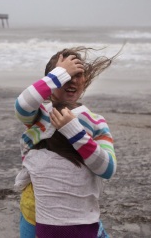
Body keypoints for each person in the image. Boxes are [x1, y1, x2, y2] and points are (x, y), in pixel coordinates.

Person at [14, 47, 117, 238]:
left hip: (79, 214)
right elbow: (22, 104)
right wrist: (59, 74)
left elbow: (107, 168)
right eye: (65, 75)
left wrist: (74, 131)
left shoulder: (96, 121)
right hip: (34, 211)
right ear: (51, 82)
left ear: (85, 81)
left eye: (78, 74)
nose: (72, 79)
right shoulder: (39, 115)